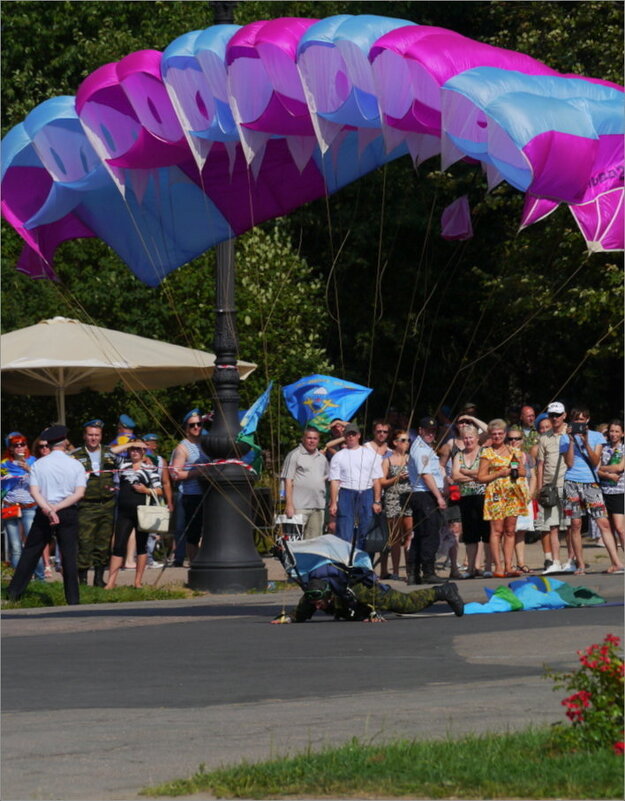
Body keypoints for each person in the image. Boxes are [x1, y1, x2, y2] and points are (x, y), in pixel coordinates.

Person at [7, 425, 87, 605]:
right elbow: (79, 493)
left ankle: (14, 593)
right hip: (67, 510)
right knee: (69, 555)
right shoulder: (75, 464)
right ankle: (73, 599)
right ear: (64, 441)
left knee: (31, 552)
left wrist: (49, 510)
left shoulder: (39, 465)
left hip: (44, 510)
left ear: (49, 444)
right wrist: (58, 508)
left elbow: (34, 492)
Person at [271, 568, 465, 623]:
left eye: (320, 603)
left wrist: (372, 614)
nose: (317, 607)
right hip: (353, 608)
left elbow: (369, 605)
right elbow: (301, 613)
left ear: (328, 595)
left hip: (370, 594)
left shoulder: (356, 591)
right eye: (315, 603)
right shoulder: (313, 594)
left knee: (407, 604)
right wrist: (287, 617)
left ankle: (442, 591)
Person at [560, 407, 623, 575]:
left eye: (582, 420)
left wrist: (586, 441)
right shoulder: (565, 438)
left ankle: (616, 563)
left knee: (603, 522)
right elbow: (570, 463)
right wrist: (572, 440)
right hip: (572, 481)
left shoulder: (596, 436)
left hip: (591, 483)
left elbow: (595, 461)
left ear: (588, 420)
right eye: (576, 420)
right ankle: (580, 564)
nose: (579, 423)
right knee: (575, 524)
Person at [104, 439, 163, 589]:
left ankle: (138, 581)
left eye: (138, 449)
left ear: (144, 452)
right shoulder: (123, 463)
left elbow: (159, 489)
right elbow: (109, 452)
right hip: (124, 512)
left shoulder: (149, 468)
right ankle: (111, 582)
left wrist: (146, 490)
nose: (135, 452)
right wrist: (130, 444)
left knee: (141, 546)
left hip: (142, 512)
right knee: (118, 546)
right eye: (133, 449)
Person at [477, 419, 528, 578]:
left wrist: (516, 471)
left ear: (505, 434)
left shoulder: (515, 452)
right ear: (490, 435)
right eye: (494, 434)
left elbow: (524, 472)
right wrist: (499, 473)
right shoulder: (487, 452)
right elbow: (481, 477)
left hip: (513, 493)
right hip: (496, 494)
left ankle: (509, 565)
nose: (497, 436)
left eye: (500, 433)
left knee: (510, 530)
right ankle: (498, 566)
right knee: (497, 530)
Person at [71, 419, 117, 587]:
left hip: (107, 504)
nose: (93, 438)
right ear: (84, 436)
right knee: (85, 541)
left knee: (103, 542)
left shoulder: (109, 453)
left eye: (96, 435)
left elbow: (122, 469)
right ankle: (82, 580)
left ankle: (99, 578)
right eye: (90, 435)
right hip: (86, 505)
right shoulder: (76, 456)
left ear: (101, 436)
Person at [328, 423, 383, 549]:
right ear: (344, 436)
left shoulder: (370, 454)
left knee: (366, 530)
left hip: (366, 493)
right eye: (348, 434)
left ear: (358, 435)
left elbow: (376, 480)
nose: (351, 437)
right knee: (344, 530)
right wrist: (333, 503)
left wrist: (377, 501)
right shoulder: (338, 456)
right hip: (346, 493)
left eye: (353, 434)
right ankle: (344, 564)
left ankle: (363, 564)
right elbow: (335, 481)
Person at [407, 416, 448, 584]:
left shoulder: (424, 446)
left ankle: (414, 572)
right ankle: (428, 572)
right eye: (428, 431)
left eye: (433, 431)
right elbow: (425, 475)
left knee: (420, 535)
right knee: (430, 535)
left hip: (424, 494)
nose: (431, 434)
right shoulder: (421, 449)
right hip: (424, 495)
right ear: (420, 430)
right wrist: (438, 497)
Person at [535, 402, 574, 574]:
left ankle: (572, 559)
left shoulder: (571, 434)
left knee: (571, 526)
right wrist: (539, 487)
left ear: (564, 415)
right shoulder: (544, 438)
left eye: (558, 415)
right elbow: (540, 465)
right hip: (550, 486)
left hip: (569, 484)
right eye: (552, 415)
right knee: (552, 526)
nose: (555, 418)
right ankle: (556, 561)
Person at [1, 433, 45, 580]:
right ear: (10, 448)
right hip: (10, 507)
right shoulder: (4, 464)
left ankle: (40, 579)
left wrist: (28, 469)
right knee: (15, 548)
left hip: (30, 507)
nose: (20, 447)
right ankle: (18, 582)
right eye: (16, 445)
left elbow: (43, 480)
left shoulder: (33, 462)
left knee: (33, 545)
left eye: (23, 444)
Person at [169, 409, 210, 565]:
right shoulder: (182, 448)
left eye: (199, 424)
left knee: (207, 530)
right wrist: (198, 472)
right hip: (191, 495)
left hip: (207, 493)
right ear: (186, 428)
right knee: (192, 531)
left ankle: (204, 560)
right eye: (192, 425)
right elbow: (175, 474)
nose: (197, 428)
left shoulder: (206, 444)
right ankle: (194, 563)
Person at [452, 426, 490, 578]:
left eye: (470, 437)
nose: (468, 441)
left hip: (483, 496)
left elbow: (487, 471)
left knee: (486, 532)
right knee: (470, 533)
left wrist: (467, 472)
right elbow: (455, 475)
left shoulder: (484, 453)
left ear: (477, 438)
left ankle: (487, 567)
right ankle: (471, 568)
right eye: (465, 438)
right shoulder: (459, 455)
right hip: (466, 497)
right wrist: (476, 475)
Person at [281, 427, 329, 540]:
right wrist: (289, 504)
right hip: (299, 506)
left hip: (318, 506)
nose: (312, 441)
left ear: (318, 440)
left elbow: (328, 477)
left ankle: (312, 558)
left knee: (315, 541)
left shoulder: (322, 458)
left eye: (315, 438)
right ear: (303, 439)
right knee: (295, 541)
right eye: (309, 438)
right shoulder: (294, 455)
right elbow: (288, 480)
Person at [379, 429, 413, 580]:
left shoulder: (411, 459)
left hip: (408, 497)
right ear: (395, 442)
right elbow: (382, 481)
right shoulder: (388, 460)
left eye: (408, 440)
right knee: (395, 537)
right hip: (392, 497)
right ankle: (396, 572)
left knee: (409, 534)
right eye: (404, 440)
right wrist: (397, 478)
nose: (407, 443)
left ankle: (411, 570)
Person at [506, 426, 535, 573]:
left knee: (521, 531)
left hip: (524, 494)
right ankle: (508, 563)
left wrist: (530, 494)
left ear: (522, 440)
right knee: (509, 531)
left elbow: (533, 476)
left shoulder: (527, 456)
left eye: (516, 438)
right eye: (510, 439)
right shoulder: (504, 456)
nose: (513, 441)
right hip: (509, 495)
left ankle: (521, 562)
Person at [143, 433, 175, 567]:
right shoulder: (140, 459)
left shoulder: (161, 461)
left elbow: (166, 482)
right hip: (141, 497)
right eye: (151, 442)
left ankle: (149, 558)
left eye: (154, 442)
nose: (153, 445)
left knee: (152, 529)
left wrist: (169, 501)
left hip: (155, 498)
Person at [597, 419, 624, 551]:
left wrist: (603, 468)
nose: (614, 434)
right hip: (604, 492)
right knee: (610, 529)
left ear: (622, 434)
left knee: (620, 529)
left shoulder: (623, 448)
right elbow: (597, 470)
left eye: (617, 431)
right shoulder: (603, 447)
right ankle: (616, 563)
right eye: (612, 431)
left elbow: (619, 467)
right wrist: (606, 472)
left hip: (619, 492)